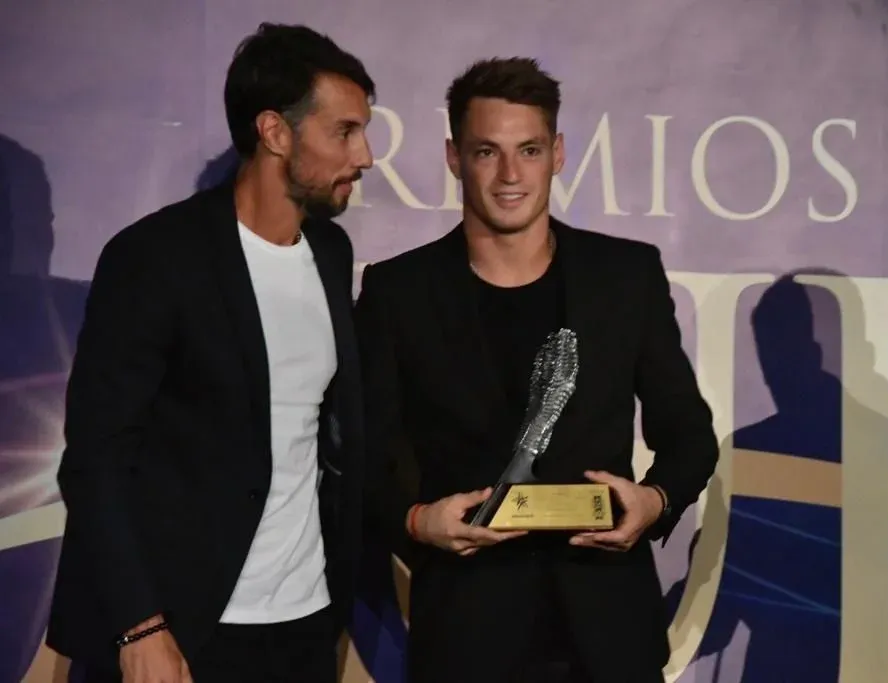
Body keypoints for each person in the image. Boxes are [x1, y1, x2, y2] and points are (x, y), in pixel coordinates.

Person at [355, 57, 720, 683]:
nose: (509, 175)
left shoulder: (625, 278)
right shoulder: (399, 292)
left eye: (528, 150)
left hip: (609, 631)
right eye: (486, 152)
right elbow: (363, 455)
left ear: (558, 153)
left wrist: (655, 502)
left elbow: (688, 433)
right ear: (453, 157)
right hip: (466, 631)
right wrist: (416, 521)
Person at [47, 23, 374, 683]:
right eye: (344, 132)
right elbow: (96, 458)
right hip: (183, 628)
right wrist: (140, 624)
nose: (364, 155)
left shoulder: (331, 253)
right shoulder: (155, 258)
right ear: (275, 132)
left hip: (305, 623)